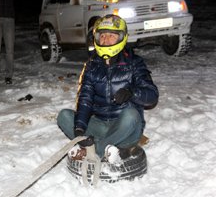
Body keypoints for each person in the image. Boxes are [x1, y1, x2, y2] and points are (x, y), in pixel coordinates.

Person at [57, 15, 159, 161]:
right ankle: (104, 146)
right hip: (100, 126)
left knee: (131, 114)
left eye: (111, 36)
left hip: (125, 129)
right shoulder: (92, 66)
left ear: (121, 38)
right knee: (64, 116)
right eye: (102, 36)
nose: (105, 40)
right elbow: (85, 99)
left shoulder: (134, 63)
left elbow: (152, 95)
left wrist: (132, 93)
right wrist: (79, 128)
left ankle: (95, 150)